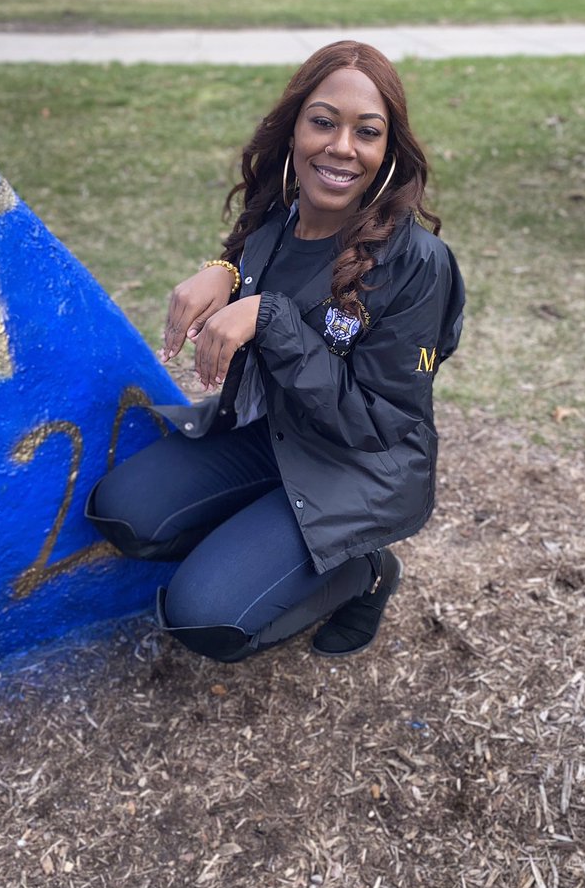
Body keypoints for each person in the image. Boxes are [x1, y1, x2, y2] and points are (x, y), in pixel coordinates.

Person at [86, 40, 464, 663]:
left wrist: (270, 317)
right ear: (292, 128)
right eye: (323, 122)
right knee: (124, 517)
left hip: (357, 467)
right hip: (273, 434)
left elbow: (378, 421)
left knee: (203, 621)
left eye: (366, 132)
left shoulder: (417, 263)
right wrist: (224, 270)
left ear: (388, 152)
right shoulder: (283, 213)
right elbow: (264, 267)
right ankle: (264, 543)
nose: (341, 147)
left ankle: (362, 573)